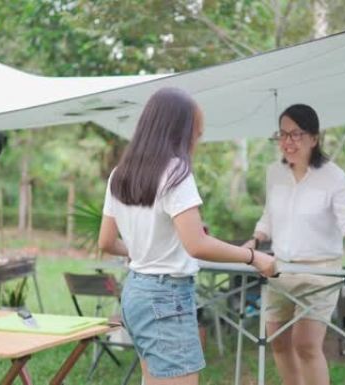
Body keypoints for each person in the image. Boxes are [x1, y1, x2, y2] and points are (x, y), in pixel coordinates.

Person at [98, 87, 276, 385]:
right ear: (178, 131)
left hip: (135, 293)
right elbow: (197, 244)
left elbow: (105, 242)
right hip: (166, 297)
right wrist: (254, 257)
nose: (196, 142)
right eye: (197, 134)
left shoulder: (120, 174)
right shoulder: (176, 171)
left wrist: (141, 249)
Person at [243, 104, 345, 385]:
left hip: (321, 274)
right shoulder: (274, 173)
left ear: (314, 138)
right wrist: (255, 239)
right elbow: (269, 215)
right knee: (278, 342)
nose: (287, 142)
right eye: (282, 135)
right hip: (279, 269)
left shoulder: (334, 177)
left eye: (296, 134)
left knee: (305, 343)